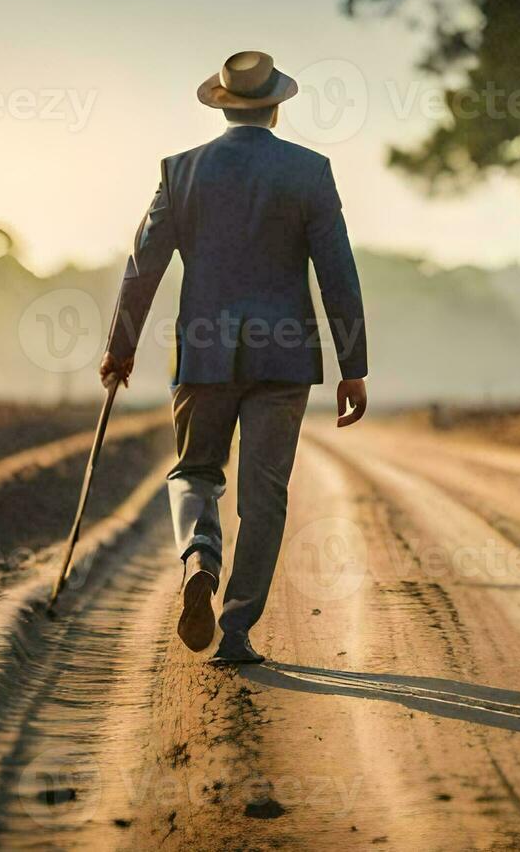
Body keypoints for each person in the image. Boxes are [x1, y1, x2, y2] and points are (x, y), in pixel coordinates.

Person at [98, 50, 368, 664]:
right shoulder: (310, 172)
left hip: (205, 351)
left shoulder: (181, 172)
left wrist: (120, 348)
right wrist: (353, 366)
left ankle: (199, 559)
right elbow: (338, 274)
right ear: (276, 107)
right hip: (286, 357)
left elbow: (145, 265)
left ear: (223, 106)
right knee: (264, 495)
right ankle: (238, 629)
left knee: (195, 472)